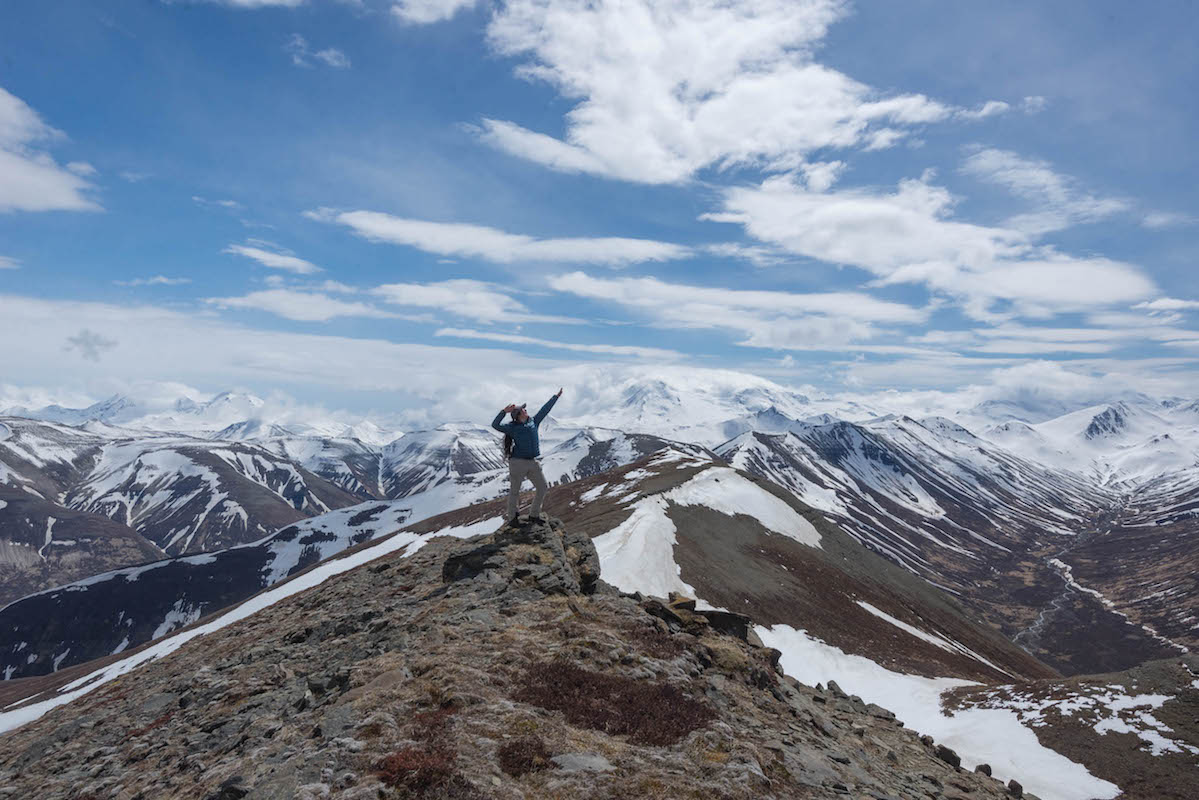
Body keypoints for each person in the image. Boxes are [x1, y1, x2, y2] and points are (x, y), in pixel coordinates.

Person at [491, 388, 562, 523]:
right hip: (517, 462)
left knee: (542, 487)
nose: (526, 410)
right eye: (523, 410)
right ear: (518, 415)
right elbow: (495, 425)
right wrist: (503, 412)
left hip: (532, 462)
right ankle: (512, 518)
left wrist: (555, 397)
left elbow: (545, 410)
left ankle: (534, 515)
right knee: (515, 491)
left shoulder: (533, 422)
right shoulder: (512, 427)